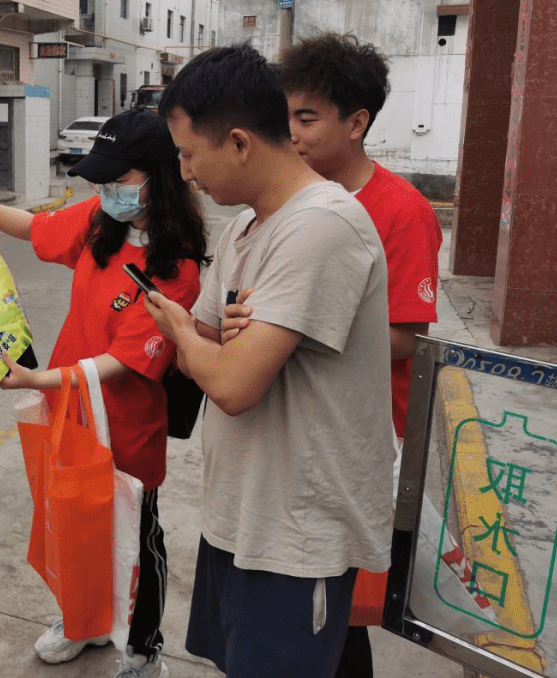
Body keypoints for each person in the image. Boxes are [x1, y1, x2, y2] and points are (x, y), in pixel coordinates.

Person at [144, 44, 394, 678]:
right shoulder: (245, 229)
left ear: (238, 142)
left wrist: (189, 334)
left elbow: (229, 382)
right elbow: (202, 346)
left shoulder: (322, 225)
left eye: (188, 154)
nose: (186, 173)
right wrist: (210, 343)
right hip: (244, 513)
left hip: (297, 533)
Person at [0, 107, 209, 678]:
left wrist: (35, 378)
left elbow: (123, 363)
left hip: (126, 429)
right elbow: (39, 231)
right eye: (101, 181)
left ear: (158, 176)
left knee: (136, 539)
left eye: (118, 179)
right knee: (72, 523)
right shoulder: (100, 220)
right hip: (68, 415)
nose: (105, 190)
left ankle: (143, 648)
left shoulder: (176, 269)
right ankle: (82, 622)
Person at [220, 34, 443, 676]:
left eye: (307, 118)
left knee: (335, 610)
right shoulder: (279, 203)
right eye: (284, 115)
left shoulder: (399, 211)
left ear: (357, 121)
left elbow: (407, 334)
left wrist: (282, 329)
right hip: (284, 431)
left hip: (355, 436)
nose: (289, 132)